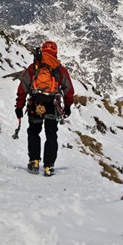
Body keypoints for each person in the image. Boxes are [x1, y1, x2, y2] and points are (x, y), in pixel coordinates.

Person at [15, 41, 74, 176]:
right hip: (51, 104)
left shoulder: (34, 67)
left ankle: (34, 161)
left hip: (35, 103)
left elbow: (23, 87)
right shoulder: (59, 69)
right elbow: (68, 89)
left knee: (34, 131)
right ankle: (48, 166)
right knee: (51, 134)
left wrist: (19, 106)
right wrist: (68, 105)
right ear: (56, 52)